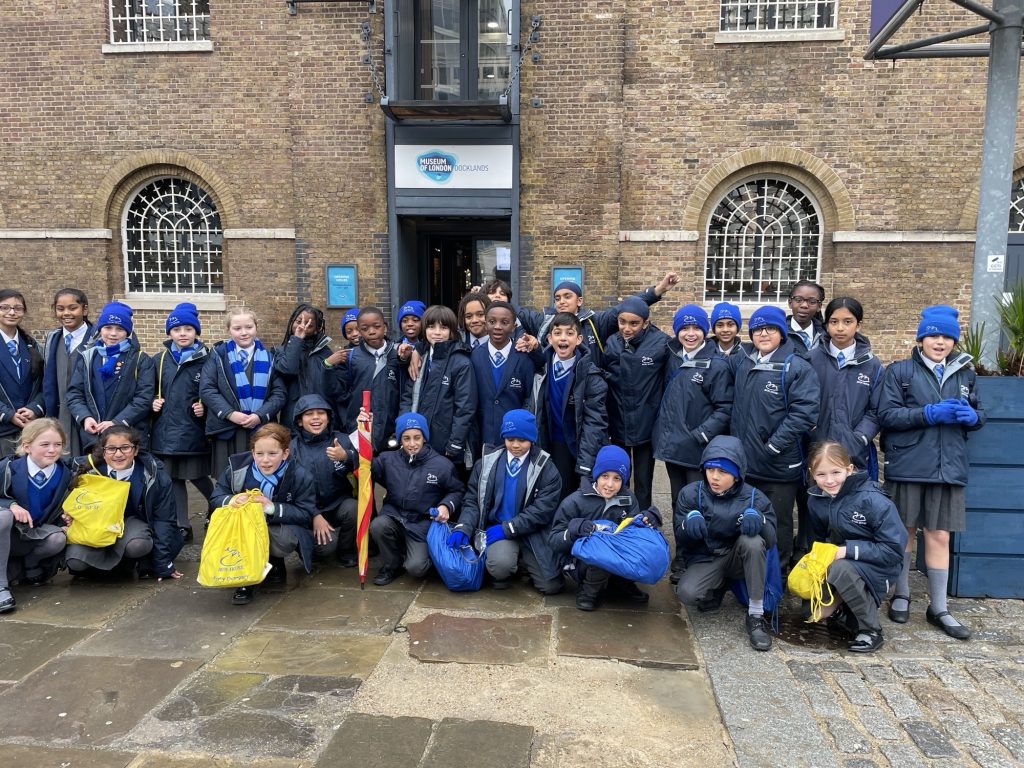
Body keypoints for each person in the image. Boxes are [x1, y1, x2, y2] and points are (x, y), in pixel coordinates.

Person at [877, 304, 985, 640]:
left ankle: (939, 607)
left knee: (939, 535)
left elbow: (979, 412)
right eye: (933, 336)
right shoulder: (900, 372)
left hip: (947, 466)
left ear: (954, 341)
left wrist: (974, 418)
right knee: (904, 531)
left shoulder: (966, 374)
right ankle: (901, 593)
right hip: (909, 464)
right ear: (921, 339)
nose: (940, 342)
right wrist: (927, 413)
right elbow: (886, 416)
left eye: (947, 337)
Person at [728, 305, 819, 569]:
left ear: (781, 332)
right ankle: (747, 574)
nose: (763, 334)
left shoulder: (797, 367)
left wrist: (774, 446)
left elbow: (804, 413)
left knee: (777, 523)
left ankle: (777, 576)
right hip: (746, 463)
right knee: (745, 519)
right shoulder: (744, 361)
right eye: (757, 329)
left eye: (770, 328)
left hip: (777, 464)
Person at [673, 435, 776, 651]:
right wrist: (687, 525)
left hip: (738, 557)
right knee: (687, 593)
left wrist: (760, 520)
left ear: (737, 475)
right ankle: (718, 586)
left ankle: (756, 615)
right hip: (706, 558)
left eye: (723, 471)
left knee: (753, 542)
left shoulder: (755, 497)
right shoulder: (690, 494)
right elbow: (680, 539)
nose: (715, 476)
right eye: (710, 469)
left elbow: (771, 540)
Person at [805, 441, 907, 653]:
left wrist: (846, 551)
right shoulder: (815, 500)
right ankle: (842, 607)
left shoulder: (872, 500)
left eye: (836, 472)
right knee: (810, 610)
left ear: (849, 469)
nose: (829, 480)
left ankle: (871, 630)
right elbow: (818, 541)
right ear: (812, 474)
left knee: (840, 569)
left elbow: (893, 549)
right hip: (840, 561)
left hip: (879, 565)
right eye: (821, 474)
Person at [449, 409, 563, 594]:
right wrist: (463, 527)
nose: (515, 445)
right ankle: (506, 564)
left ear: (532, 439)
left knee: (551, 586)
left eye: (522, 440)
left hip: (533, 532)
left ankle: (523, 562)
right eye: (510, 439)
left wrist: (509, 528)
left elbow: (542, 511)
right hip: (498, 529)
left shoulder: (547, 469)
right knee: (500, 567)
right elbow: (472, 501)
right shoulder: (486, 463)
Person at [211, 422, 318, 605]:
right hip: (242, 527)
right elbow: (216, 497)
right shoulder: (237, 470)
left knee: (283, 540)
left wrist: (272, 508)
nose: (265, 460)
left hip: (276, 527)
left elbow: (305, 513)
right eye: (259, 454)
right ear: (252, 453)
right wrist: (232, 500)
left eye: (272, 454)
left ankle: (274, 561)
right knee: (246, 535)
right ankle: (245, 581)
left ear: (285, 453)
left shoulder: (300, 475)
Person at [65, 425, 183, 581]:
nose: (118, 454)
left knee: (137, 545)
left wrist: (162, 564)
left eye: (125, 448)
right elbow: (55, 465)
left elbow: (164, 520)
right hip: (96, 527)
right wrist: (68, 515)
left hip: (133, 525)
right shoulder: (87, 469)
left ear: (135, 450)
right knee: (75, 562)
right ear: (103, 451)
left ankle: (130, 562)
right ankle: (114, 566)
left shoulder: (155, 476)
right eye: (111, 449)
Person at [549, 445, 658, 611]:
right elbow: (553, 540)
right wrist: (573, 532)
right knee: (600, 549)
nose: (610, 484)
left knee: (646, 546)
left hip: (615, 553)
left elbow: (634, 533)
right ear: (596, 475)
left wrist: (648, 520)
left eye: (617, 478)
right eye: (605, 476)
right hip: (582, 561)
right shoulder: (575, 501)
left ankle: (621, 582)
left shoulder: (629, 499)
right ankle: (588, 592)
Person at [367, 412, 464, 586]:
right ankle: (392, 565)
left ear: (424, 438)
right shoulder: (387, 459)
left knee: (416, 568)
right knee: (377, 525)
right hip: (394, 515)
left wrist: (446, 506)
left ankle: (421, 554)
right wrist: (347, 455)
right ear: (400, 440)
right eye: (406, 438)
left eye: (417, 438)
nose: (412, 444)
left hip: (422, 524)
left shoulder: (441, 464)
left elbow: (457, 491)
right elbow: (365, 464)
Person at [653, 303, 734, 506]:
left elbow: (725, 408)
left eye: (696, 328)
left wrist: (701, 434)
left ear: (705, 331)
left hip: (698, 448)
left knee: (699, 501)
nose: (690, 334)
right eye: (684, 328)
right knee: (677, 500)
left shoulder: (716, 365)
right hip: (673, 446)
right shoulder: (671, 356)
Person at [517, 273, 679, 366]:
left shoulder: (595, 321)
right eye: (557, 298)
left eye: (567, 296)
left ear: (579, 301)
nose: (562, 302)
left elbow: (627, 306)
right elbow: (517, 313)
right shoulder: (544, 321)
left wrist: (659, 289)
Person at [200, 308, 287, 480]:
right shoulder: (218, 355)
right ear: (228, 330)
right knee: (228, 479)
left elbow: (279, 393)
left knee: (261, 478)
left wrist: (259, 415)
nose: (244, 332)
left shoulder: (271, 357)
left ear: (256, 327)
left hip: (261, 429)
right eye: (237, 328)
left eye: (248, 327)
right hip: (227, 428)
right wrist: (230, 413)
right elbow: (207, 389)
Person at [601, 296, 671, 510]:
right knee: (618, 476)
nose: (627, 328)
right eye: (622, 322)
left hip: (646, 423)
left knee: (643, 482)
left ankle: (642, 518)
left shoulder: (661, 342)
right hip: (618, 420)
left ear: (645, 323)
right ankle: (619, 516)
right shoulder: (612, 343)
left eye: (634, 323)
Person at [150, 303, 212, 540]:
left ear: (196, 331)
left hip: (193, 430)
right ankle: (182, 525)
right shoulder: (159, 360)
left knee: (197, 475)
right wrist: (152, 403)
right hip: (165, 431)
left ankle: (217, 505)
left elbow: (216, 390)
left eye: (188, 329)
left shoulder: (208, 359)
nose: (183, 334)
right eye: (177, 330)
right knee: (173, 478)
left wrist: (205, 408)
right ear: (170, 333)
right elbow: (147, 390)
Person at [533, 312, 608, 501]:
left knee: (570, 497)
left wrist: (585, 464)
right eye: (557, 333)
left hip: (576, 446)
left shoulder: (590, 376)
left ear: (579, 339)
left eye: (569, 333)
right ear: (549, 338)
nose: (563, 338)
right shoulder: (541, 368)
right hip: (548, 443)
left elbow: (594, 423)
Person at [0, 419, 74, 609]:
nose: (52, 450)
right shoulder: (8, 468)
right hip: (8, 535)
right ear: (27, 447)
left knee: (58, 538)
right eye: (45, 444)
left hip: (35, 534)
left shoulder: (65, 473)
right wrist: (11, 504)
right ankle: (1, 586)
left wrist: (65, 520)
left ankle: (30, 564)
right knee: (3, 516)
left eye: (58, 444)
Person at [808, 297, 883, 476]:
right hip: (816, 448)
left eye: (847, 322)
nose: (840, 328)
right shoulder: (810, 360)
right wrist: (811, 431)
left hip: (854, 452)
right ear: (827, 325)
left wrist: (859, 438)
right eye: (834, 322)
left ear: (858, 325)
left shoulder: (872, 365)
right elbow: (801, 402)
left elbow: (876, 410)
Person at [66, 301, 155, 452]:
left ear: (127, 332)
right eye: (108, 327)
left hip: (127, 437)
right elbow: (74, 393)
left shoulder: (141, 360)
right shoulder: (88, 358)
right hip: (93, 437)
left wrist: (116, 422)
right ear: (100, 329)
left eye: (120, 329)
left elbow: (143, 398)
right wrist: (85, 417)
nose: (113, 334)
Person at [401, 305, 476, 475]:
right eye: (431, 327)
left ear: (452, 331)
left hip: (445, 443)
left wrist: (455, 443)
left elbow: (465, 408)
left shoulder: (461, 362)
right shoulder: (421, 357)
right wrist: (404, 428)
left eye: (443, 328)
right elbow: (407, 397)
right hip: (417, 440)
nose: (437, 332)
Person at [289, 394, 358, 566]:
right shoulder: (292, 449)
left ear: (329, 417)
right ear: (299, 421)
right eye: (309, 414)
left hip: (337, 504)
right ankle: (309, 546)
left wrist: (347, 456)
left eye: (321, 413)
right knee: (325, 550)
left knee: (353, 508)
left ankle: (347, 550)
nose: (316, 418)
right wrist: (314, 514)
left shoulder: (342, 440)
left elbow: (365, 464)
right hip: (307, 511)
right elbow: (291, 491)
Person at [470, 301, 543, 455]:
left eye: (504, 322)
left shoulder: (524, 357)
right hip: (483, 435)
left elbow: (529, 398)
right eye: (492, 322)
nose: (497, 327)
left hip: (515, 438)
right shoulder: (475, 356)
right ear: (485, 324)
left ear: (513, 327)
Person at [335, 306, 401, 453]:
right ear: (359, 330)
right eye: (365, 329)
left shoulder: (398, 354)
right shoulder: (351, 357)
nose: (371, 332)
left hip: (391, 429)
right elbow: (339, 392)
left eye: (376, 326)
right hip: (360, 427)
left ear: (385, 327)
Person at [42, 288, 95, 457]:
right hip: (59, 413)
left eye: (72, 308)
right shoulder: (53, 338)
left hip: (89, 416)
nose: (66, 313)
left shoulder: (97, 338)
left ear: (84, 309)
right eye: (60, 309)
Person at [0, 289, 46, 457]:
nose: (12, 312)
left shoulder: (32, 345)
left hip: (29, 429)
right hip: (3, 430)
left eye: (17, 308)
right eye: (5, 307)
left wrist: (34, 408)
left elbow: (44, 384)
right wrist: (8, 414)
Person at [273, 303, 335, 427]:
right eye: (298, 321)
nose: (302, 326)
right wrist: (297, 340)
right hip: (293, 415)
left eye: (309, 325)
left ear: (316, 329)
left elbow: (332, 387)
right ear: (292, 322)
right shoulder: (279, 351)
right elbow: (288, 369)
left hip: (319, 415)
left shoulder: (325, 353)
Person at [787, 280, 827, 358]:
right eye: (798, 300)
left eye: (812, 301)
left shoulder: (826, 335)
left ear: (819, 306)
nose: (804, 305)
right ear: (790, 303)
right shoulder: (779, 333)